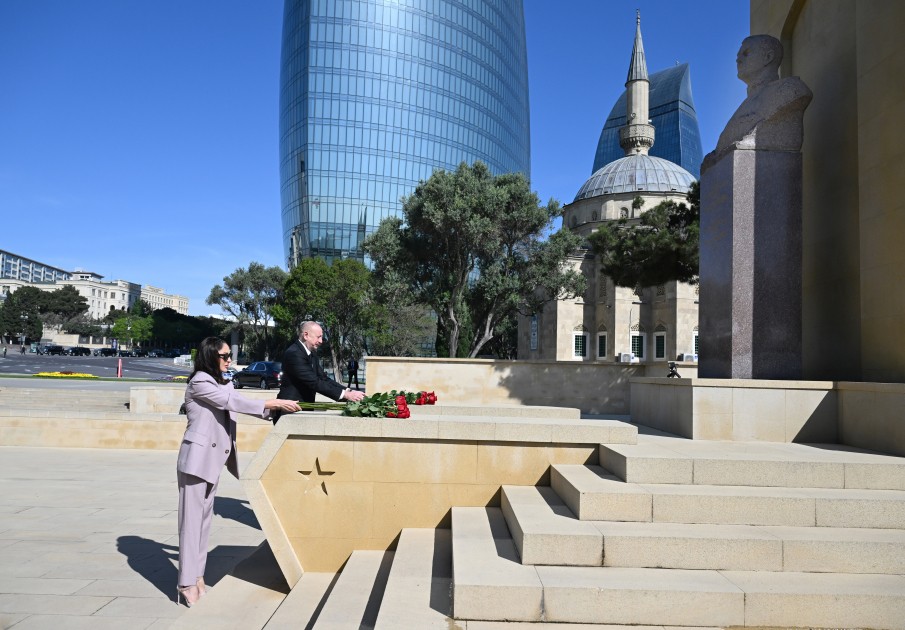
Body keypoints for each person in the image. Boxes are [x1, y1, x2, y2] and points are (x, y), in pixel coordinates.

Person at [175, 337, 300, 607]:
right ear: (210, 356)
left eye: (229, 355)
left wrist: (274, 411)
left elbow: (235, 399)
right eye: (224, 356)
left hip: (211, 461)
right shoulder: (200, 382)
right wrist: (275, 404)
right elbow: (230, 402)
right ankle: (186, 583)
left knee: (203, 524)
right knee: (191, 524)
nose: (229, 360)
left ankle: (197, 577)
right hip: (196, 461)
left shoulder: (220, 382)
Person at [702, 34, 812, 171]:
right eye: (738, 55)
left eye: (746, 54)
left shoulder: (791, 90)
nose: (738, 60)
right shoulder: (743, 105)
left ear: (768, 57)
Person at [274, 321, 365, 423]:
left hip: (303, 411)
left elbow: (323, 378)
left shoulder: (312, 354)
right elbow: (314, 382)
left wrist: (349, 391)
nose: (321, 341)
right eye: (318, 337)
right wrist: (345, 395)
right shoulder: (294, 353)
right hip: (289, 412)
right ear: (306, 335)